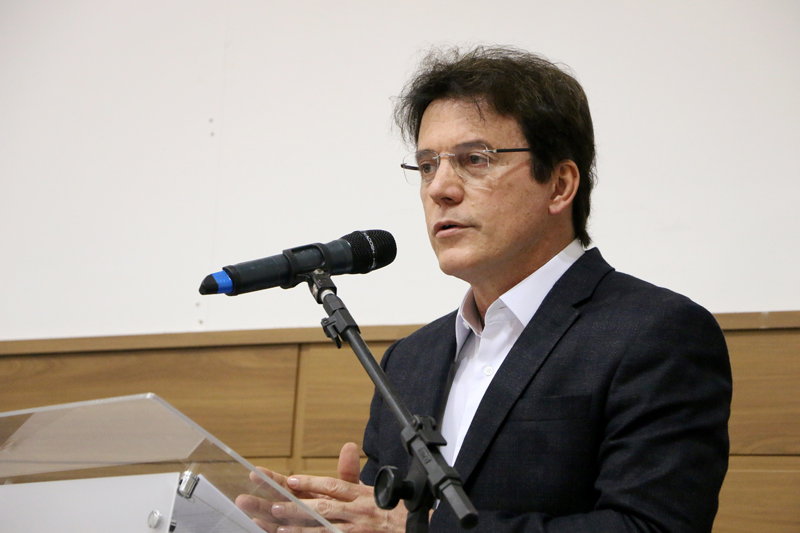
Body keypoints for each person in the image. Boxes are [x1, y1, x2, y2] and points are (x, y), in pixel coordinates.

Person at [237, 45, 732, 532]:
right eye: (427, 165)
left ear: (560, 185)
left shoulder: (656, 334)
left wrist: (420, 530)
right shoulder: (409, 361)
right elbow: (384, 520)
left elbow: (650, 527)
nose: (439, 188)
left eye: (474, 159)